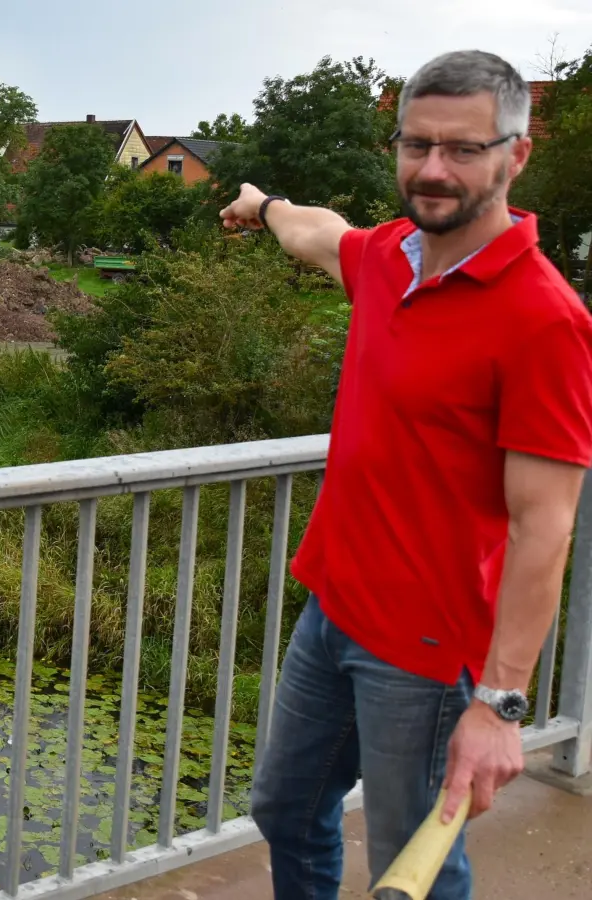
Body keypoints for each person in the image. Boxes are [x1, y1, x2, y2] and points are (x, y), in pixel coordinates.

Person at [220, 49, 592, 899]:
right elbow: (319, 232)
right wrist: (264, 203)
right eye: (415, 144)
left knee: (411, 867)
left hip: (427, 654)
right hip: (332, 610)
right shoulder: (393, 254)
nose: (433, 168)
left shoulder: (543, 320)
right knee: (286, 809)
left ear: (515, 154)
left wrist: (498, 706)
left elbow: (547, 524)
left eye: (463, 149)